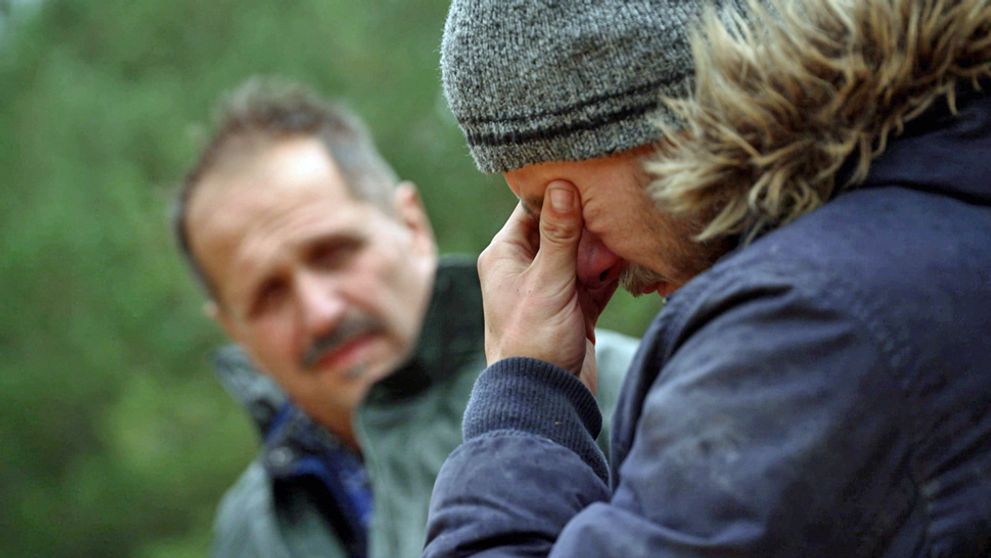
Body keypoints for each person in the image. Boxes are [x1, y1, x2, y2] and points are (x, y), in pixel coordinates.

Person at [425, 0, 991, 555]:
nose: (582, 264)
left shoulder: (808, 327)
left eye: (563, 209)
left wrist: (525, 394)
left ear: (671, 124)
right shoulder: (941, 200)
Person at [171, 78, 639, 558]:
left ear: (412, 226)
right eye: (268, 295)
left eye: (335, 253)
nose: (321, 313)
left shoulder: (630, 397)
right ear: (234, 332)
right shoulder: (252, 532)